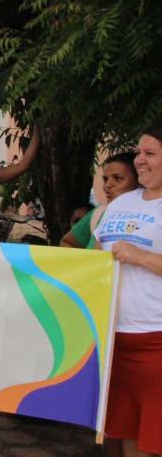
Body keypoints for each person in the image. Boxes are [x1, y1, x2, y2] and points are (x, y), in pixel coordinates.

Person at [95, 125, 162, 457]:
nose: (140, 161)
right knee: (120, 439)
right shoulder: (121, 204)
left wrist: (142, 257)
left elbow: (134, 257)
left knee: (151, 441)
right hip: (114, 341)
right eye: (139, 152)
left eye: (150, 154)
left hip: (155, 345)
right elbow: (96, 257)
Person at [60, 153, 139, 249]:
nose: (107, 185)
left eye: (117, 178)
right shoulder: (98, 214)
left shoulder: (156, 214)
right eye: (105, 179)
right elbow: (68, 242)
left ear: (140, 181)